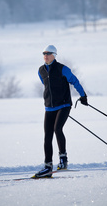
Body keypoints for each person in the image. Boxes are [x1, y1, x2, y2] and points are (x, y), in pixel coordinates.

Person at [35, 44, 88, 178]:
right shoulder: (41, 70)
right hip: (49, 107)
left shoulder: (63, 69)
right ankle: (47, 166)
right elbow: (46, 85)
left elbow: (75, 81)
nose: (45, 56)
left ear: (54, 55)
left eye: (48, 53)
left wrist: (83, 96)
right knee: (47, 135)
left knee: (57, 129)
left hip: (64, 105)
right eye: (44, 53)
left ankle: (63, 160)